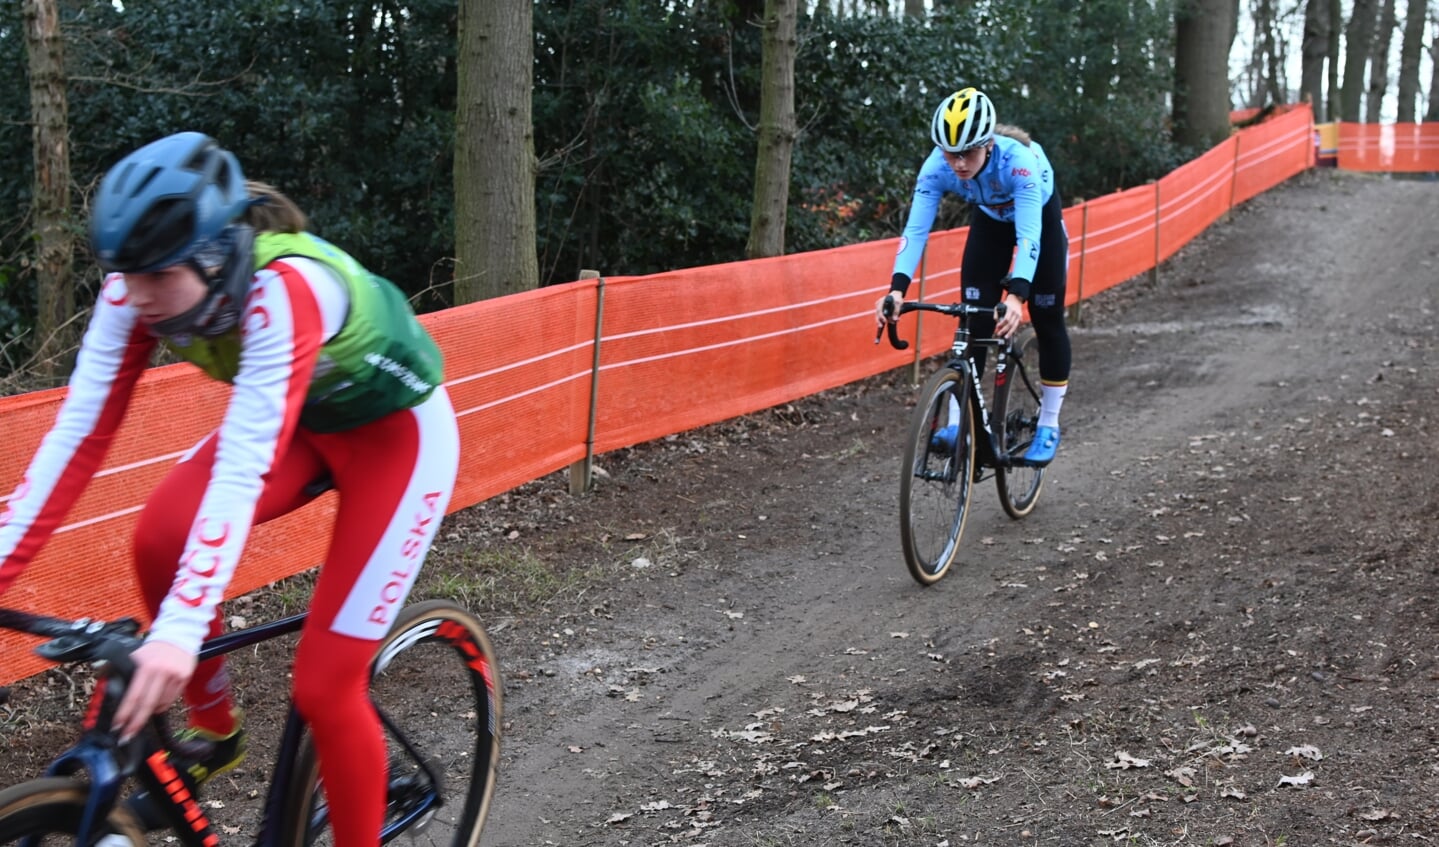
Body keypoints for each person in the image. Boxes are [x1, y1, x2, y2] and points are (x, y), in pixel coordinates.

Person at [0, 132, 459, 847]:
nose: (137, 294)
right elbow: (74, 438)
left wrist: (181, 629)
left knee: (325, 686)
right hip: (301, 420)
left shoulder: (287, 291)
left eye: (156, 274)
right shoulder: (135, 290)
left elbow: (243, 463)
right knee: (158, 536)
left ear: (215, 255)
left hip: (394, 440)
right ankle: (216, 734)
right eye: (126, 273)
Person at [875, 87, 1071, 465]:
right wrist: (897, 289)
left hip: (1039, 222)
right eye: (951, 153)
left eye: (968, 153)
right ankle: (955, 423)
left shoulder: (1019, 163)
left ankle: (1048, 423)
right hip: (991, 222)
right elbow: (915, 232)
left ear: (988, 144)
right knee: (973, 317)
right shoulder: (936, 167)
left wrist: (1016, 295)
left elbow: (1029, 237)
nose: (959, 164)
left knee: (1047, 319)